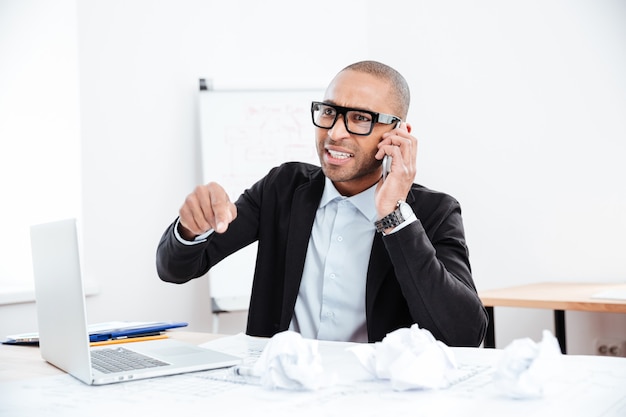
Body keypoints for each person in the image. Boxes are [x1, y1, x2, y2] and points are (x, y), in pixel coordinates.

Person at [156, 60, 488, 346]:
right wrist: (191, 228)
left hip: (375, 396)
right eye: (329, 111)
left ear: (398, 133)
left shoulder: (434, 213)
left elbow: (465, 335)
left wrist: (394, 215)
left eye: (360, 118)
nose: (334, 133)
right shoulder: (283, 188)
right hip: (280, 390)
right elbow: (175, 269)